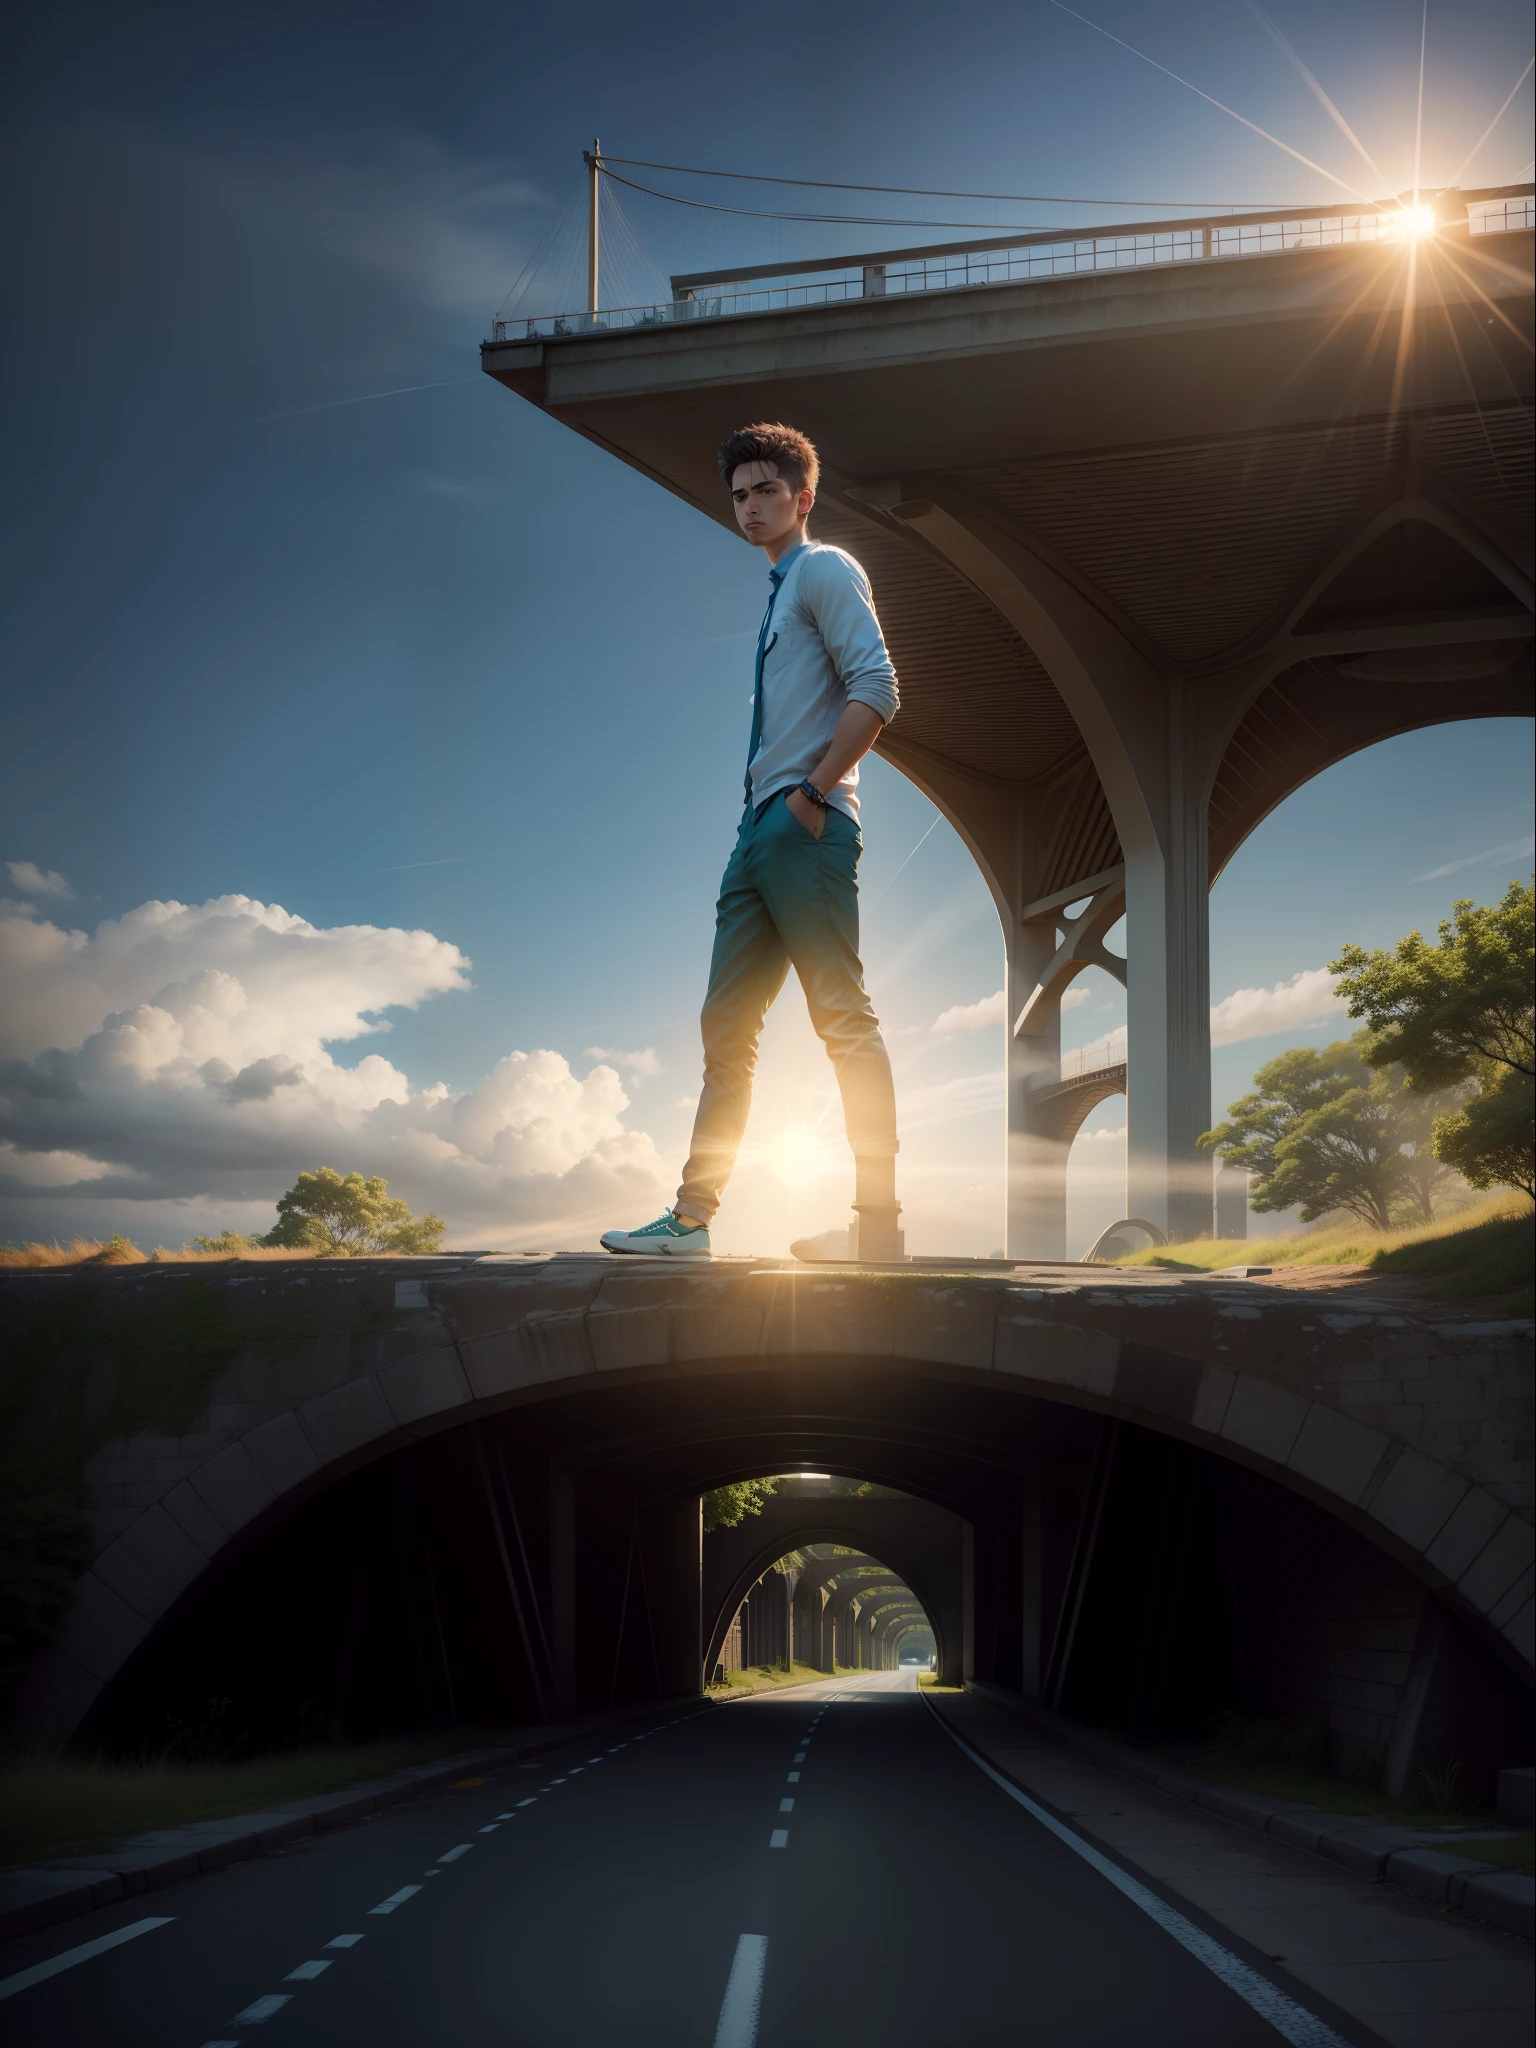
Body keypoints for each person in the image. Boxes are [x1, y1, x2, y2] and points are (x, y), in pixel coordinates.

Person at [601, 421, 902, 1261]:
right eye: (737, 496)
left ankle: (875, 1230)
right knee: (725, 1025)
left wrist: (810, 795)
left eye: (765, 490)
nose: (749, 507)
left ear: (802, 498)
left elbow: (879, 686)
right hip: (758, 830)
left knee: (841, 1016)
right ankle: (691, 1221)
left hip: (806, 824)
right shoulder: (778, 596)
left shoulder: (824, 567)